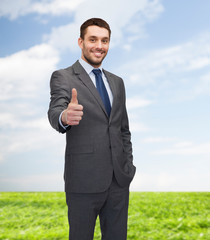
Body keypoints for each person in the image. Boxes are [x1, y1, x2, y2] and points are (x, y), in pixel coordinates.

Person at [48, 18, 136, 240]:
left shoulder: (117, 82)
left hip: (118, 181)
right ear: (81, 42)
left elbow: (122, 128)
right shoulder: (64, 77)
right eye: (93, 39)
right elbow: (55, 111)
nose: (99, 46)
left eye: (105, 40)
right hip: (83, 180)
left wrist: (128, 167)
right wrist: (65, 116)